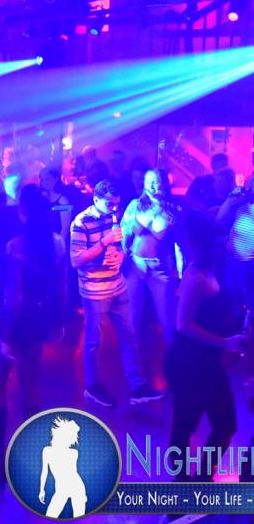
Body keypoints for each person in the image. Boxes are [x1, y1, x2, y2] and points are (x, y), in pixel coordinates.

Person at [0, 185, 63, 485]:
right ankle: (33, 460)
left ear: (23, 212)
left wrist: (6, 334)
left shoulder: (17, 245)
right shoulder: (56, 243)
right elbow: (60, 287)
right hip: (39, 321)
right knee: (31, 388)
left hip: (16, 322)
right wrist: (58, 322)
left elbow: (13, 295)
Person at [164, 213, 243, 483]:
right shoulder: (195, 278)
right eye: (216, 246)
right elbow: (183, 324)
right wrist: (225, 343)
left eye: (222, 244)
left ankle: (199, 479)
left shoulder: (209, 271)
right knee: (189, 424)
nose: (221, 250)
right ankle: (185, 482)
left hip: (205, 361)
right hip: (189, 362)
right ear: (200, 247)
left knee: (222, 423)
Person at [70, 179, 163, 408]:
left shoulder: (113, 218)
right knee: (94, 341)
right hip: (94, 291)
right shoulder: (81, 222)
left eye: (117, 204)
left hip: (117, 286)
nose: (114, 209)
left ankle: (137, 387)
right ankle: (92, 387)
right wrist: (103, 243)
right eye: (109, 204)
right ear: (95, 199)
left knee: (129, 336)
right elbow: (76, 260)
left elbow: (118, 249)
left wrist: (120, 255)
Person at [121, 169, 183, 343]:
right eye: (149, 181)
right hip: (135, 266)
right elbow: (123, 233)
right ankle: (131, 358)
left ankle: (173, 358)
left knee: (167, 320)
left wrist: (181, 273)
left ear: (164, 182)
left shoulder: (173, 209)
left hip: (160, 268)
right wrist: (121, 260)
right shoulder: (135, 205)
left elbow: (180, 243)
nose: (153, 185)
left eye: (157, 181)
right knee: (132, 319)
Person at [217, 175, 254, 314]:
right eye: (251, 182)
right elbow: (219, 220)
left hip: (249, 265)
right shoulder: (242, 204)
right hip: (234, 262)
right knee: (232, 303)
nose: (251, 186)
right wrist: (230, 199)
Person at [39, 417, 87, 518]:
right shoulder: (47, 451)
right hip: (61, 489)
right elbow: (44, 472)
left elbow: (73, 473)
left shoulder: (74, 453)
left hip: (76, 487)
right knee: (50, 516)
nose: (74, 440)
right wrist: (42, 489)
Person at [40, 166, 71, 243]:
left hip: (56, 241)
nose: (44, 182)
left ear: (56, 179)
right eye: (42, 179)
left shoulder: (63, 201)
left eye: (47, 179)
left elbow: (65, 228)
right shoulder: (41, 198)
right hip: (43, 240)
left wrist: (59, 245)